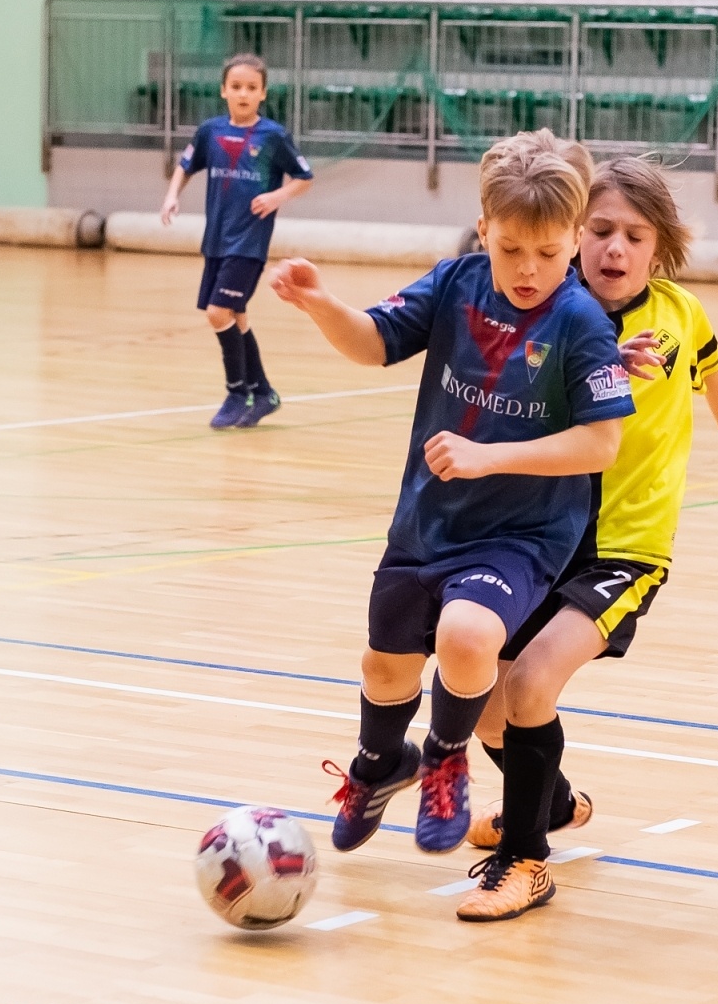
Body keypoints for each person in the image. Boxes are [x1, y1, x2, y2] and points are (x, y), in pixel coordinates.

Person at [266, 130, 636, 869]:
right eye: (510, 250)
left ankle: (443, 757)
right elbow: (374, 343)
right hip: (427, 524)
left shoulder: (581, 324)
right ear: (483, 227)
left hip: (523, 536)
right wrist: (318, 303)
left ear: (572, 237)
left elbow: (601, 445)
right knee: (383, 669)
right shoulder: (457, 283)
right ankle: (381, 764)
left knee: (467, 638)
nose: (528, 270)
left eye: (548, 252)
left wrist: (488, 455)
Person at [455, 156, 718, 923]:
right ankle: (553, 803)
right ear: (573, 236)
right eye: (600, 231)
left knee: (533, 683)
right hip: (539, 537)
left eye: (633, 235)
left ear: (659, 245)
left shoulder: (681, 318)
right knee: (486, 700)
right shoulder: (548, 313)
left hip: (626, 547)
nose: (614, 248)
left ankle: (527, 859)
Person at [161, 53, 314, 429]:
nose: (243, 94)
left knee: (218, 313)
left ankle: (236, 392)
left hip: (248, 243)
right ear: (223, 90)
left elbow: (305, 176)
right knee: (237, 316)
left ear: (263, 94)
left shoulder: (273, 136)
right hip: (216, 239)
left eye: (251, 88)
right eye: (236, 86)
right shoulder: (210, 131)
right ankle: (263, 393)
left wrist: (277, 197)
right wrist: (171, 196)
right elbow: (184, 166)